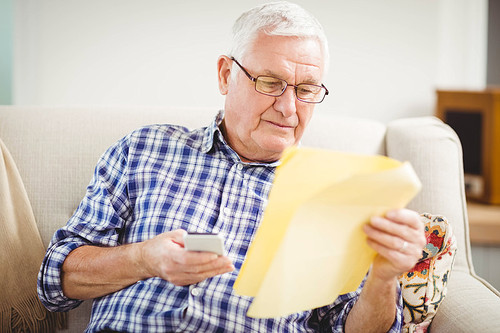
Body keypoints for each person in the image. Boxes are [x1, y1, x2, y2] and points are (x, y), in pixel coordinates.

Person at [38, 1, 426, 332]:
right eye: (270, 82)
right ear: (226, 75)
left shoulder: (338, 196)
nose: (288, 108)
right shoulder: (144, 148)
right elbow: (55, 281)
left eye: (306, 90)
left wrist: (384, 276)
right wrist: (144, 259)